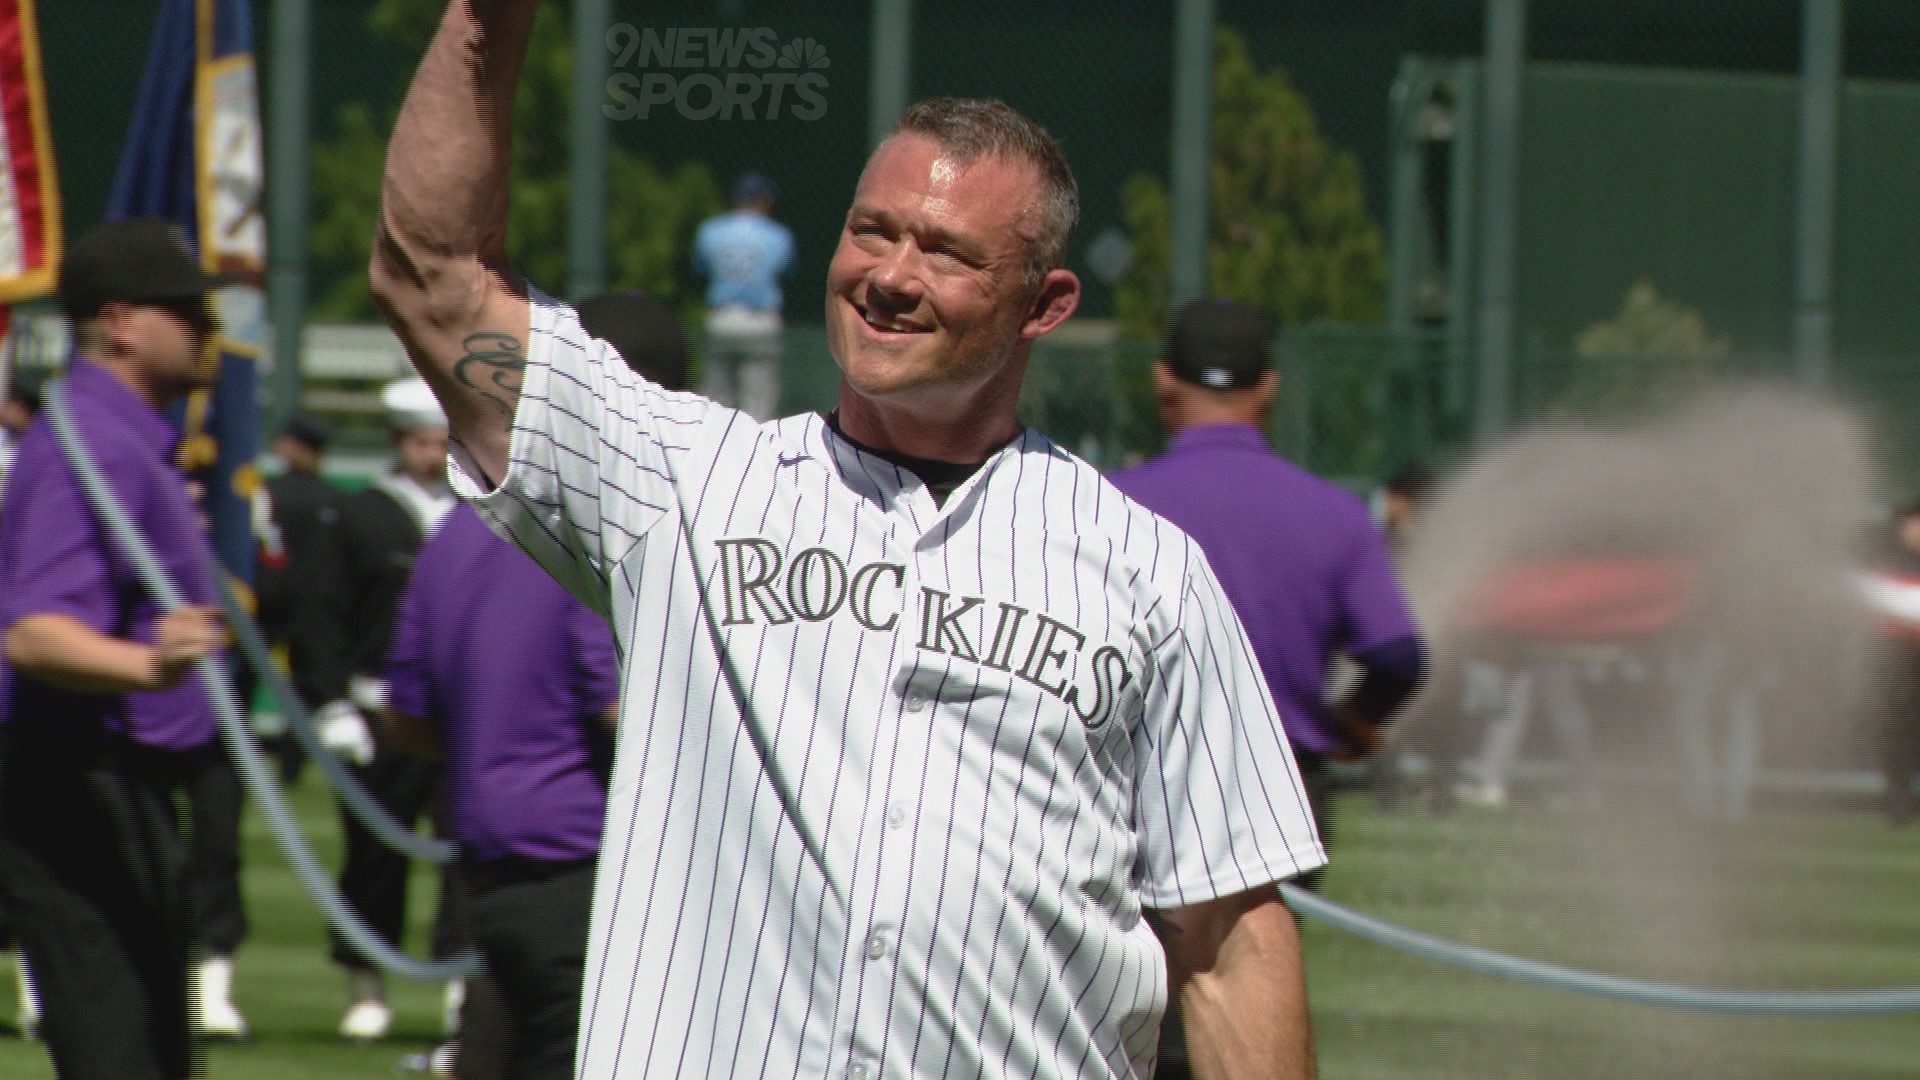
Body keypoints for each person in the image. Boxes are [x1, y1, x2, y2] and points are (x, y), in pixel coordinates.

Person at [369, 7, 1327, 1079]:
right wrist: (481, 20)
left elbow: (1230, 939)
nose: (891, 275)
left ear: (1043, 304)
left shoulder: (1150, 573)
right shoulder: (681, 484)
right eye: (872, 231)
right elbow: (433, 276)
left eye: (947, 252)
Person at [1106, 299, 1426, 1079]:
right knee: (1244, 986)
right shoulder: (1334, 516)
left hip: (1125, 786)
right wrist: (1353, 722)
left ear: (1164, 382)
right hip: (1281, 790)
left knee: (1125, 1008)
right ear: (1269, 388)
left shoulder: (1104, 506)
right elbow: (1399, 654)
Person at [385, 291, 684, 1080]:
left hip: (486, 874)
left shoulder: (455, 528)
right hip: (587, 874)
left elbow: (409, 721)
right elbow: (625, 711)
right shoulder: (597, 533)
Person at [0, 216, 234, 1080]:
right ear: (124, 321)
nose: (212, 333)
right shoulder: (90, 443)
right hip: (79, 784)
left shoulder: (129, 440)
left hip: (121, 786)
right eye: (191, 314)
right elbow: (32, 630)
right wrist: (151, 665)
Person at [306, 376, 462, 1043]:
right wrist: (331, 701)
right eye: (423, 442)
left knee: (468, 857)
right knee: (373, 854)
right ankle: (366, 986)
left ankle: (463, 991)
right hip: (381, 711)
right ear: (400, 442)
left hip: (461, 714)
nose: (434, 454)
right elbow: (322, 614)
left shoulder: (475, 510)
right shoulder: (361, 514)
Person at [253, 410, 350, 785]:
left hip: (265, 602)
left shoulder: (266, 493)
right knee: (306, 689)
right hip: (314, 610)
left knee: (238, 681)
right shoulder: (334, 499)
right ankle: (292, 765)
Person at [692, 169, 795, 422]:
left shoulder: (710, 230)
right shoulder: (778, 235)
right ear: (764, 199)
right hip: (760, 319)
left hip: (722, 318)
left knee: (715, 401)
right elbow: (787, 272)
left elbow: (699, 269)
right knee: (759, 406)